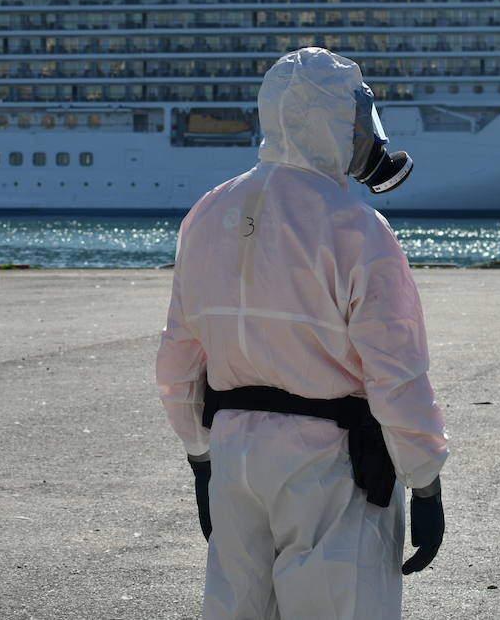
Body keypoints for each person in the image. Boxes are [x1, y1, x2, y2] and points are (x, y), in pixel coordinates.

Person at [156, 47, 449, 620]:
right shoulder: (356, 227)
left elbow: (178, 356)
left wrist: (199, 454)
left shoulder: (208, 213)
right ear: (335, 124)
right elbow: (396, 371)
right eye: (359, 121)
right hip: (332, 466)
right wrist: (425, 479)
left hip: (235, 452)